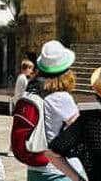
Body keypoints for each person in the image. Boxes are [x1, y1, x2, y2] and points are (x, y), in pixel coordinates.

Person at [25, 40, 86, 181]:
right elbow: (79, 131)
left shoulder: (29, 92)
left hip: (35, 169)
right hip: (61, 170)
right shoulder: (60, 98)